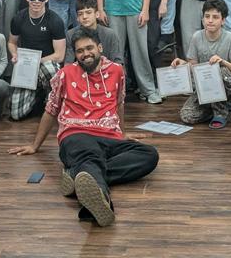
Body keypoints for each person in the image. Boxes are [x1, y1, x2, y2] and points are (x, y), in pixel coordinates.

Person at [9, 28, 159, 227]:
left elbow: (119, 103)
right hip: (77, 134)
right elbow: (51, 110)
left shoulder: (117, 71)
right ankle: (101, 201)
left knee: (149, 155)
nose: (85, 54)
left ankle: (76, 175)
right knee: (90, 157)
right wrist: (35, 146)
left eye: (89, 48)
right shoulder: (65, 74)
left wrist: (122, 133)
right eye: (80, 51)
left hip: (110, 136)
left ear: (100, 48)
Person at [170, 0, 231, 129]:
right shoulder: (196, 37)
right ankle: (215, 106)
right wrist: (182, 63)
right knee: (187, 116)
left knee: (220, 71)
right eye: (207, 16)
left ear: (223, 20)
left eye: (215, 17)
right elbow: (193, 67)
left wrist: (223, 62)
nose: (210, 20)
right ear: (203, 18)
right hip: (204, 86)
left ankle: (220, 113)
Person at [8, 0, 66, 120]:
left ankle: (51, 99)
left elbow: (59, 55)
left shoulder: (55, 21)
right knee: (16, 114)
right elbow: (11, 42)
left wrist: (36, 61)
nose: (36, 1)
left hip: (47, 64)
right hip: (26, 68)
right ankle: (38, 96)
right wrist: (15, 54)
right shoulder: (18, 18)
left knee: (51, 70)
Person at [63, 0, 124, 66]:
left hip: (106, 70)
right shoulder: (70, 34)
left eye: (88, 12)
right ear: (77, 18)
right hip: (80, 70)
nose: (84, 17)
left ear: (97, 14)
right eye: (80, 14)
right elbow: (68, 63)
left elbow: (118, 62)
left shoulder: (109, 34)